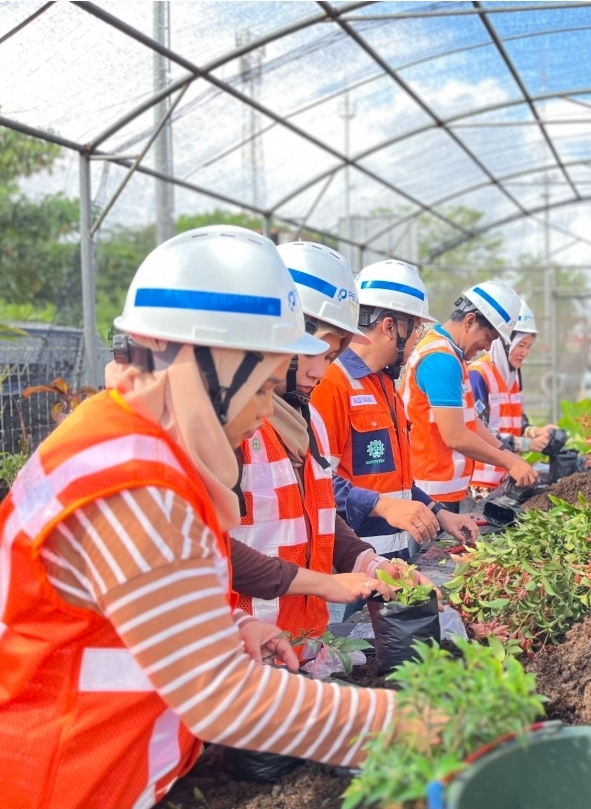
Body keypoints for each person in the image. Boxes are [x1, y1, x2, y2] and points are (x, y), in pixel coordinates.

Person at [0, 226, 421, 808]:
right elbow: (224, 697)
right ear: (215, 365)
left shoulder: (132, 447)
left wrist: (233, 626)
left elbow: (141, 595)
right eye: (260, 388)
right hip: (62, 782)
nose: (261, 415)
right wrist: (415, 724)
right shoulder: (134, 483)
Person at [229, 242, 424, 645]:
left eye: (332, 357)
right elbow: (212, 550)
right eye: (313, 353)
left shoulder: (307, 417)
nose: (319, 372)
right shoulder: (233, 429)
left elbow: (318, 512)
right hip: (247, 650)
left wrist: (367, 561)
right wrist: (322, 584)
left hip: (297, 644)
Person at [311, 259, 478, 561]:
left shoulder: (385, 385)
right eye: (417, 328)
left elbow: (396, 483)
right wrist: (382, 506)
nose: (418, 340)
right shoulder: (331, 383)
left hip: (390, 562)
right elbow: (317, 483)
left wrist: (439, 513)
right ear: (390, 327)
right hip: (349, 565)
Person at [402, 281, 539, 511]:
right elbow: (455, 436)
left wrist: (506, 453)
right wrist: (509, 463)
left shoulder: (452, 356)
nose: (487, 348)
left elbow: (468, 421)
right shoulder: (441, 360)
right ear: (469, 321)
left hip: (441, 489)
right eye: (489, 337)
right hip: (429, 491)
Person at [468, 300, 559, 491]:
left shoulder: (513, 376)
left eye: (528, 346)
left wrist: (537, 432)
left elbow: (517, 424)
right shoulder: (479, 375)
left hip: (506, 480)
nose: (524, 353)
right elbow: (478, 433)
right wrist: (528, 444)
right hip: (480, 485)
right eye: (520, 345)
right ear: (504, 344)